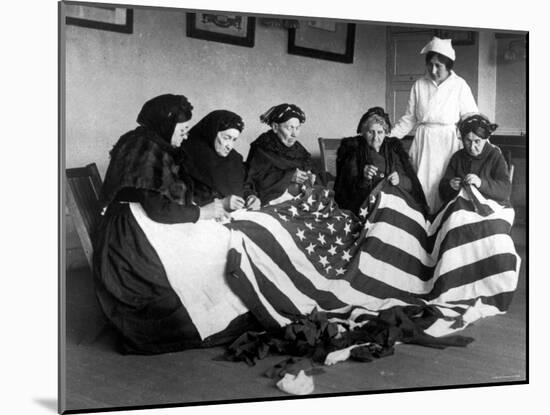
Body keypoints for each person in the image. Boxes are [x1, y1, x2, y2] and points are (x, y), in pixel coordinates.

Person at [93, 94, 253, 354]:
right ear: (165, 126)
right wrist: (204, 213)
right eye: (182, 130)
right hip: (127, 236)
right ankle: (218, 316)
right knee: (210, 247)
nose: (185, 137)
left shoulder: (148, 144)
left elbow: (161, 201)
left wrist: (204, 211)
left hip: (137, 220)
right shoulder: (143, 151)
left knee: (210, 239)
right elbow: (158, 210)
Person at [390, 36, 479, 213]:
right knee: (421, 183)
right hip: (424, 141)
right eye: (430, 64)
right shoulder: (419, 85)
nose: (433, 69)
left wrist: (483, 142)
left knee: (445, 183)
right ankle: (421, 225)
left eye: (438, 65)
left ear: (449, 66)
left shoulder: (459, 85)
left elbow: (471, 119)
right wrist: (389, 138)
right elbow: (409, 118)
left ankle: (441, 225)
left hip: (447, 142)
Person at [334, 107, 427, 215]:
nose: (375, 138)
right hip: (365, 206)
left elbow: (410, 184)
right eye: (370, 132)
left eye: (380, 132)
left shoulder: (393, 150)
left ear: (386, 133)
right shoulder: (353, 150)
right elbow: (346, 188)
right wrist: (363, 177)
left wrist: (399, 180)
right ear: (363, 132)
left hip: (392, 203)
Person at [181, 110, 261, 211]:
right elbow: (185, 196)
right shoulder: (186, 154)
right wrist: (221, 204)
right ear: (211, 132)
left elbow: (243, 185)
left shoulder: (235, 158)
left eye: (234, 140)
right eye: (226, 138)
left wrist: (251, 197)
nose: (230, 146)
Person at [244, 103, 317, 205]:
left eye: (297, 128)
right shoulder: (263, 147)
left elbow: (310, 169)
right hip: (274, 201)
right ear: (275, 127)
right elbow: (254, 180)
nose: (294, 134)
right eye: (290, 128)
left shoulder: (298, 149)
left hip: (301, 199)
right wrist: (289, 176)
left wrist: (311, 177)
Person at [439, 113, 511, 205]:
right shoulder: (457, 157)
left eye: (477, 141)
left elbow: (505, 191)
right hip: (463, 206)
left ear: (486, 139)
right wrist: (450, 185)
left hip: (492, 206)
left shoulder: (495, 156)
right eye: (468, 141)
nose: (472, 147)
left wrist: (481, 183)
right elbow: (442, 191)